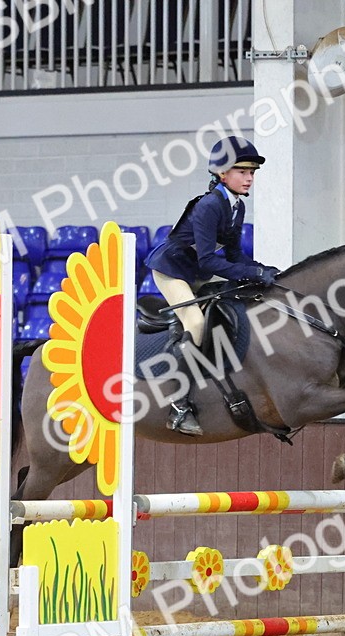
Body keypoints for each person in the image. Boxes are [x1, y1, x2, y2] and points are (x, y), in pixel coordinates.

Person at [146, 136, 281, 436]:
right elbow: (208, 261)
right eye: (242, 171)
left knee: (248, 295)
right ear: (222, 174)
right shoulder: (209, 205)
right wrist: (252, 271)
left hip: (198, 269)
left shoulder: (236, 207)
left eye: (252, 173)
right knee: (195, 323)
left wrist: (259, 270)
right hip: (174, 270)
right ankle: (178, 407)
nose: (249, 178)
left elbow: (233, 256)